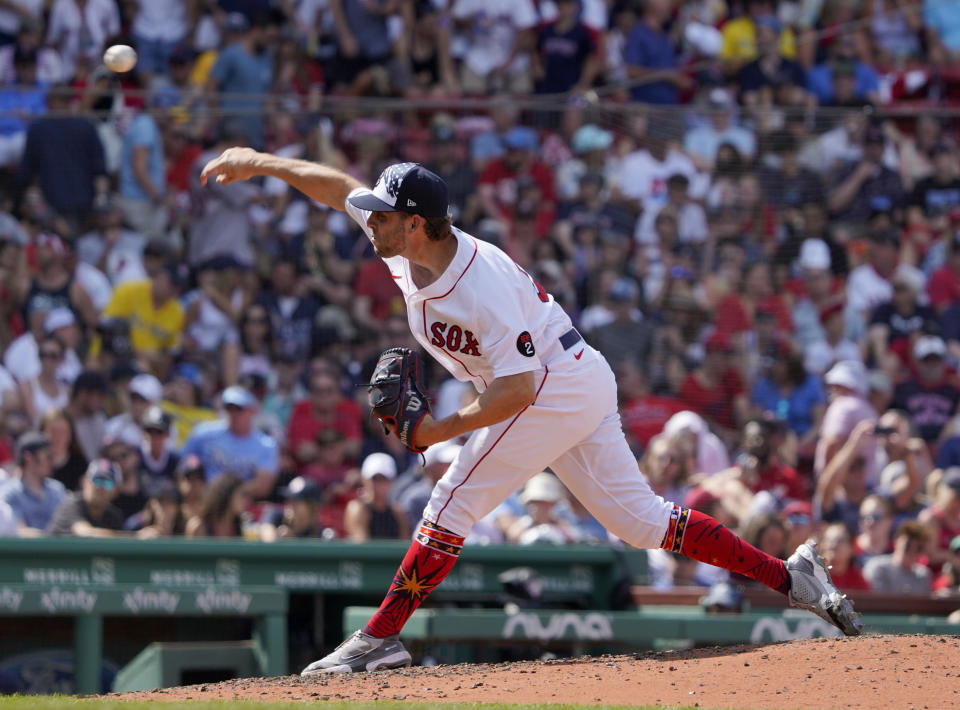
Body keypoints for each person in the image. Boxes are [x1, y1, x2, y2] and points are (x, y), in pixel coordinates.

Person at [200, 147, 863, 675]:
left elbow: (516, 393)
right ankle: (794, 576)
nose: (367, 220)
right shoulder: (407, 245)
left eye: (381, 214)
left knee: (450, 499)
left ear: (413, 222)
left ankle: (379, 639)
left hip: (551, 387)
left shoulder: (478, 284)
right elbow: (335, 185)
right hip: (574, 377)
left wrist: (435, 432)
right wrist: (262, 162)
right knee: (640, 524)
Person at [181, 386, 278, 499]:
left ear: (252, 411)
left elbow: (263, 485)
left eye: (239, 409)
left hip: (240, 502)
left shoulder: (266, 445)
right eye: (229, 408)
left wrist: (227, 494)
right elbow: (184, 462)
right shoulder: (203, 433)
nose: (233, 413)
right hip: (202, 496)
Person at [0, 430, 67, 535]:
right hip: (23, 551)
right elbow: (18, 530)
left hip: (58, 550)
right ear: (29, 458)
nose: (51, 462)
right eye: (48, 457)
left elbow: (67, 527)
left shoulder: (57, 489)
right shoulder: (9, 492)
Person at [46, 458, 126, 537]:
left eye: (108, 483)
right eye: (97, 480)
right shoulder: (72, 504)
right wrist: (132, 535)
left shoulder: (114, 515)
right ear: (85, 482)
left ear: (116, 490)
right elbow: (85, 533)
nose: (101, 488)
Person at [344, 453, 408, 542]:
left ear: (392, 481)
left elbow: (404, 545)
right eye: (374, 479)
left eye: (383, 479)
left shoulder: (398, 513)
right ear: (364, 480)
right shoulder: (357, 508)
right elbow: (362, 547)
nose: (378, 484)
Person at [862, 520, 933, 595]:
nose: (912, 551)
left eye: (919, 548)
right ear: (896, 542)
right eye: (907, 545)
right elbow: (877, 601)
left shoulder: (923, 575)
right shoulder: (878, 567)